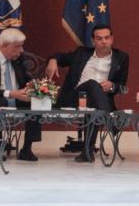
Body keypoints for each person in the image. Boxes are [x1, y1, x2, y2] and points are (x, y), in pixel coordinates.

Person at [44, 24, 129, 163]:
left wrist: (112, 86)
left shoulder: (121, 57)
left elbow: (121, 85)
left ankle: (87, 152)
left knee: (94, 108)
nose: (104, 41)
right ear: (93, 41)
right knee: (92, 84)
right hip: (74, 98)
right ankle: (110, 121)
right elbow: (59, 56)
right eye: (99, 38)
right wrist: (53, 60)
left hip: (99, 101)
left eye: (107, 38)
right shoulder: (81, 53)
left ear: (112, 39)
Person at [0, 28, 41, 161]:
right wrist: (11, 94)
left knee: (36, 102)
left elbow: (25, 79)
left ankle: (27, 148)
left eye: (22, 46)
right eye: (17, 47)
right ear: (4, 46)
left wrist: (31, 88)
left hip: (17, 97)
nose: (21, 50)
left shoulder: (17, 58)